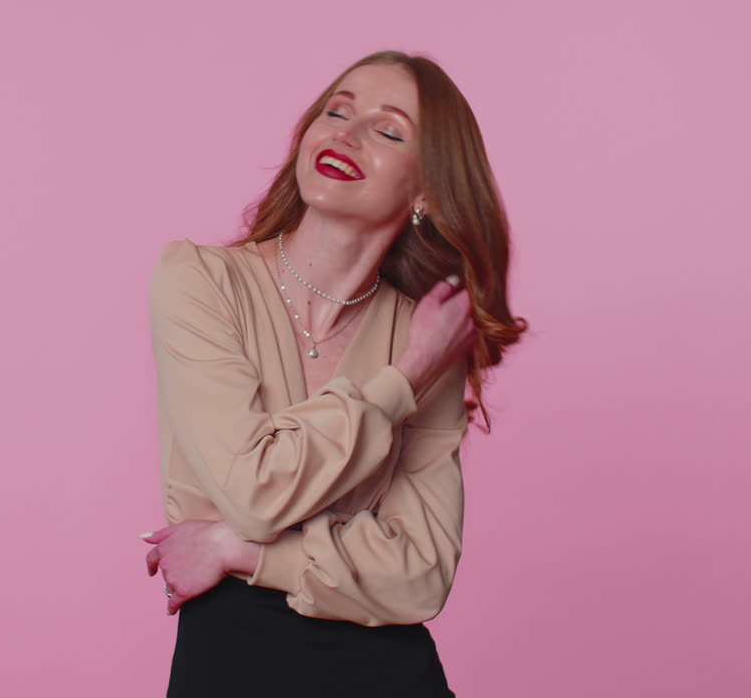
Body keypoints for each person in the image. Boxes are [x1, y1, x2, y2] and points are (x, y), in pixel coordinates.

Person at [140, 50, 528, 697]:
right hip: (231, 664)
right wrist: (401, 381)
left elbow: (422, 574)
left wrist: (239, 552)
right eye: (337, 111)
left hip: (387, 673)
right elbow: (253, 493)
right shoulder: (200, 281)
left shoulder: (425, 335)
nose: (346, 134)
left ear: (427, 190)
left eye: (389, 130)